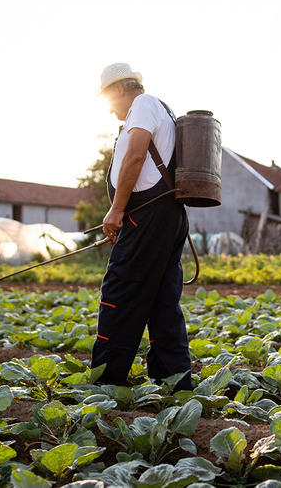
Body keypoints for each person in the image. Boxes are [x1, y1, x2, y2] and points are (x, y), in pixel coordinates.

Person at [91, 63, 192, 391]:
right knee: (163, 301)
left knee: (121, 294)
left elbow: (135, 157)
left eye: (109, 99)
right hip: (164, 216)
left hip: (147, 216)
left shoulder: (143, 105)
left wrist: (116, 211)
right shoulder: (159, 109)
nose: (110, 110)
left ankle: (106, 383)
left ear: (121, 88)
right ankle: (174, 383)